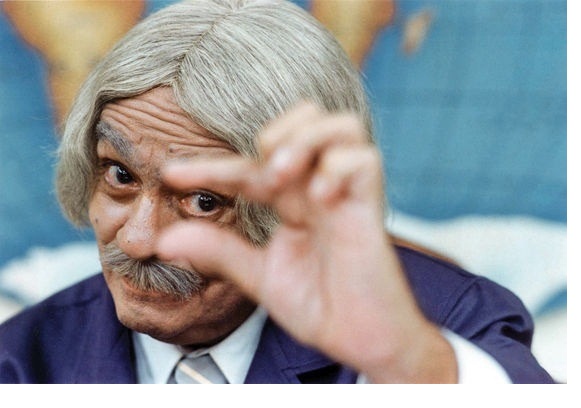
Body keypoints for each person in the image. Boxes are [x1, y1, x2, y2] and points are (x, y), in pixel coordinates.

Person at [0, 0, 553, 384]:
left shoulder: (448, 329)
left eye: (204, 200)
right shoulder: (19, 363)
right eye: (120, 176)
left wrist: (407, 362)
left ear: (297, 202)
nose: (138, 241)